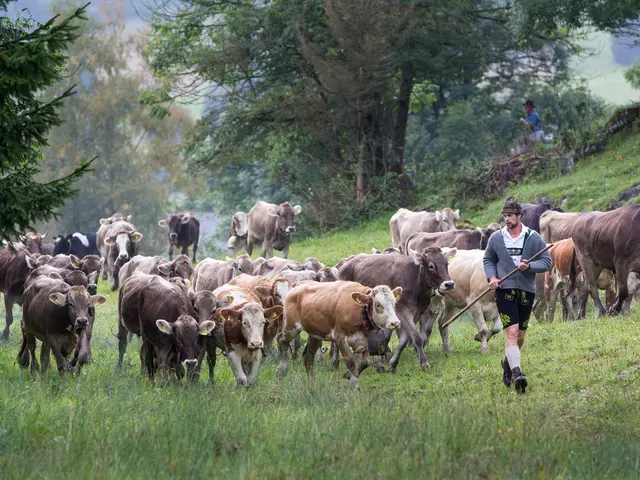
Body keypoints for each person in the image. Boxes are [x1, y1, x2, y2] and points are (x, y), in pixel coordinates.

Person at [483, 195, 552, 394]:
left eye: (511, 215)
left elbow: (547, 262)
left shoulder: (533, 237)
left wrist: (529, 266)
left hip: (526, 291)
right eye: (505, 215)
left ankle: (507, 363)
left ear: (520, 215)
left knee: (520, 336)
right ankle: (517, 373)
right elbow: (488, 260)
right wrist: (492, 278)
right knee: (511, 332)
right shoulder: (496, 238)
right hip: (504, 291)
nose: (507, 218)